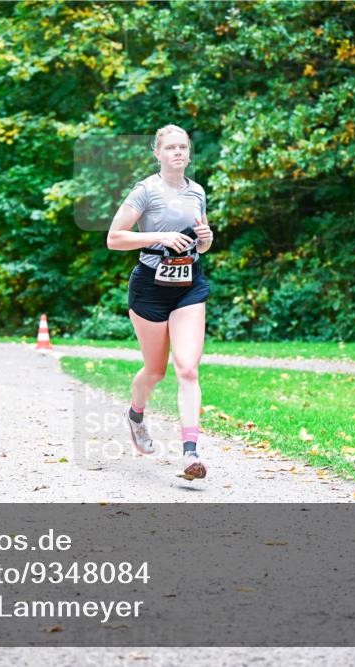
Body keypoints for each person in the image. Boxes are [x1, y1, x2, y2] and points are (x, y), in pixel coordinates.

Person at [106, 125, 214, 480]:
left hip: (188, 285)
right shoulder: (145, 191)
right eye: (170, 147)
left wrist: (205, 239)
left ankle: (190, 453)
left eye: (183, 147)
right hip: (150, 288)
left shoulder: (197, 191)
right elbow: (114, 238)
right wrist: (160, 236)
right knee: (155, 371)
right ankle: (135, 414)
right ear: (157, 153)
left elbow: (202, 243)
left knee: (188, 368)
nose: (178, 153)